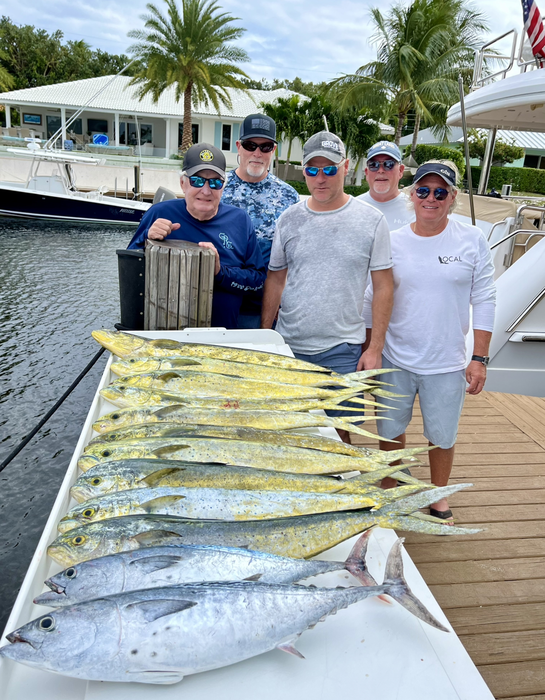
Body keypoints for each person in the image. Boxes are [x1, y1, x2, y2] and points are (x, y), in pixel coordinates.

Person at [363, 160, 496, 520]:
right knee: (390, 429)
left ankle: (438, 496)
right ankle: (390, 486)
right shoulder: (393, 241)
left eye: (441, 192)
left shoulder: (473, 240)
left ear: (452, 197)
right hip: (395, 357)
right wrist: (369, 349)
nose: (431, 198)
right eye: (423, 190)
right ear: (411, 194)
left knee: (442, 436)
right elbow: (372, 297)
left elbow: (484, 298)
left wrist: (479, 358)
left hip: (448, 361)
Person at [261, 131, 394, 443]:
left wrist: (375, 349)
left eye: (330, 169)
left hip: (342, 350)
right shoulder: (288, 218)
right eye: (312, 170)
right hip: (289, 347)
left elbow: (384, 286)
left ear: (345, 167)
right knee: (289, 434)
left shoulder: (372, 221)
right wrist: (266, 336)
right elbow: (276, 278)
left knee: (340, 436)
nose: (321, 178)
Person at [128, 143, 266, 329]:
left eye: (215, 182)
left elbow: (257, 281)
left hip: (223, 336)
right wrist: (147, 238)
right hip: (165, 333)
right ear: (183, 183)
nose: (206, 190)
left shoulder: (240, 221)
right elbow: (129, 271)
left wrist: (220, 272)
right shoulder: (159, 213)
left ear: (223, 187)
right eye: (197, 181)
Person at [221, 114, 299, 328]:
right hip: (221, 298)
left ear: (273, 150)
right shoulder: (217, 187)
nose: (257, 153)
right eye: (250, 145)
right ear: (238, 146)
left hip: (266, 305)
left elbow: (293, 254)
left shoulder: (289, 195)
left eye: (265, 147)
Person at [359, 141, 415, 230]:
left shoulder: (415, 210)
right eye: (374, 165)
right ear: (367, 173)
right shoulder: (352, 208)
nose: (381, 170)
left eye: (389, 164)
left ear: (401, 171)